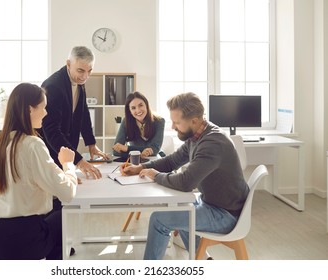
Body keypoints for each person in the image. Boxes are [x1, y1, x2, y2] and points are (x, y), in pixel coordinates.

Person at [121, 92, 249, 260]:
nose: (173, 127)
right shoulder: (197, 135)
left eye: (176, 122)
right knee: (178, 205)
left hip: (226, 215)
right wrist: (141, 167)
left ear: (194, 121)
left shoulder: (212, 143)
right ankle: (203, 259)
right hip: (212, 203)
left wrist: (155, 175)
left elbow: (185, 182)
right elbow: (171, 161)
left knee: (159, 220)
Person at [0, 83, 78, 260]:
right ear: (29, 110)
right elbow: (67, 192)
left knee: (53, 210)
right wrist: (68, 164)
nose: (46, 113)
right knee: (63, 216)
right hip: (22, 243)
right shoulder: (32, 145)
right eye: (43, 107)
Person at [39, 46, 109, 180]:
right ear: (68, 64)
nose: (85, 77)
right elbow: (51, 131)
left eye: (89, 71)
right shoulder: (53, 86)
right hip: (51, 149)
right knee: (57, 197)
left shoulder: (78, 80)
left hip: (67, 149)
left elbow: (82, 112)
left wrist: (91, 144)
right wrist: (79, 160)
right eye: (81, 71)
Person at [113, 91, 165, 159]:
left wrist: (127, 149)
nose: (138, 110)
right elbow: (116, 150)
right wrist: (141, 152)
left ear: (146, 105)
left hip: (154, 159)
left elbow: (155, 149)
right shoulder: (126, 121)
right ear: (130, 111)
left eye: (141, 105)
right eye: (133, 108)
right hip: (136, 161)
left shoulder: (159, 121)